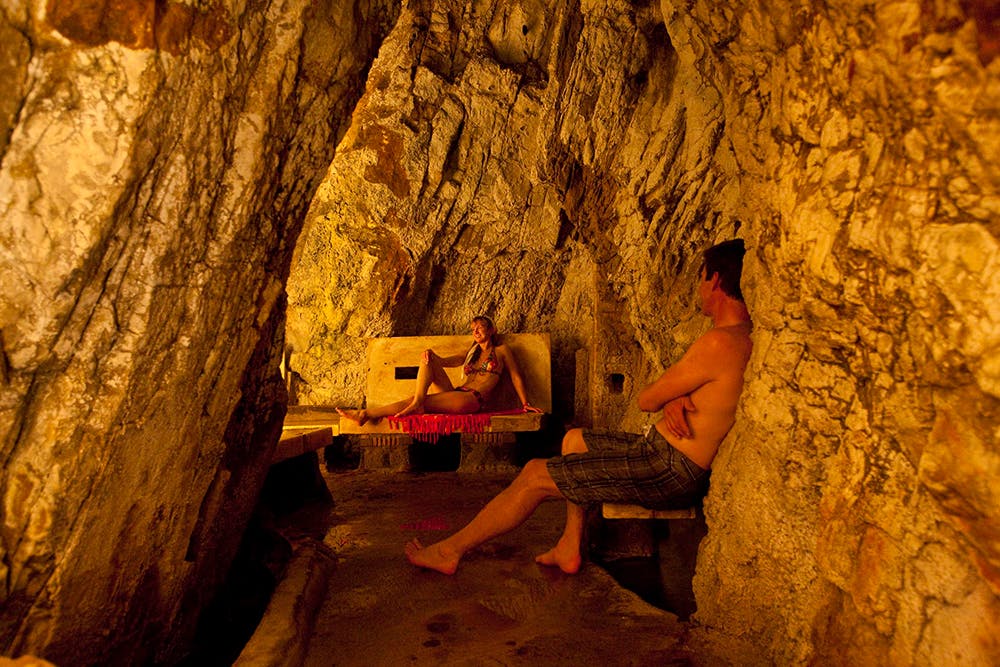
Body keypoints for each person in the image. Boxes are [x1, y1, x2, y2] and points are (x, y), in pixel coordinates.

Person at [405, 239, 753, 575]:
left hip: (665, 468)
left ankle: (449, 551)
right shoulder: (740, 337)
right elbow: (691, 392)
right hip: (660, 453)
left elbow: (647, 399)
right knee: (573, 441)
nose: (700, 287)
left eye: (702, 278)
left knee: (534, 475)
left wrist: (670, 396)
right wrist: (677, 397)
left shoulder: (719, 341)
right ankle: (569, 546)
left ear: (716, 281)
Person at [337, 316, 542, 425]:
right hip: (458, 394)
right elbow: (452, 361)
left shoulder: (502, 351)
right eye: (473, 329)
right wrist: (434, 357)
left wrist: (525, 403)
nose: (475, 331)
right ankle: (415, 402)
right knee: (428, 359)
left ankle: (366, 414)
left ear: (491, 330)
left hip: (473, 400)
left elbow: (515, 376)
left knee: (418, 400)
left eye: (480, 327)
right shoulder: (471, 352)